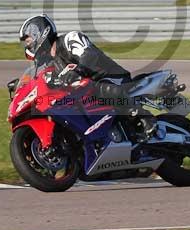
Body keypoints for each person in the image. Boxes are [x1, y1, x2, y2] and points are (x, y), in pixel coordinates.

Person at [19, 14, 157, 138]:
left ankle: (144, 117)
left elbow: (88, 55)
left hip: (109, 77)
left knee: (102, 88)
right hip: (86, 91)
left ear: (39, 32)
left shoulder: (69, 38)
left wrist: (77, 71)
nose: (27, 45)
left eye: (28, 40)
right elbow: (44, 83)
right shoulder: (51, 64)